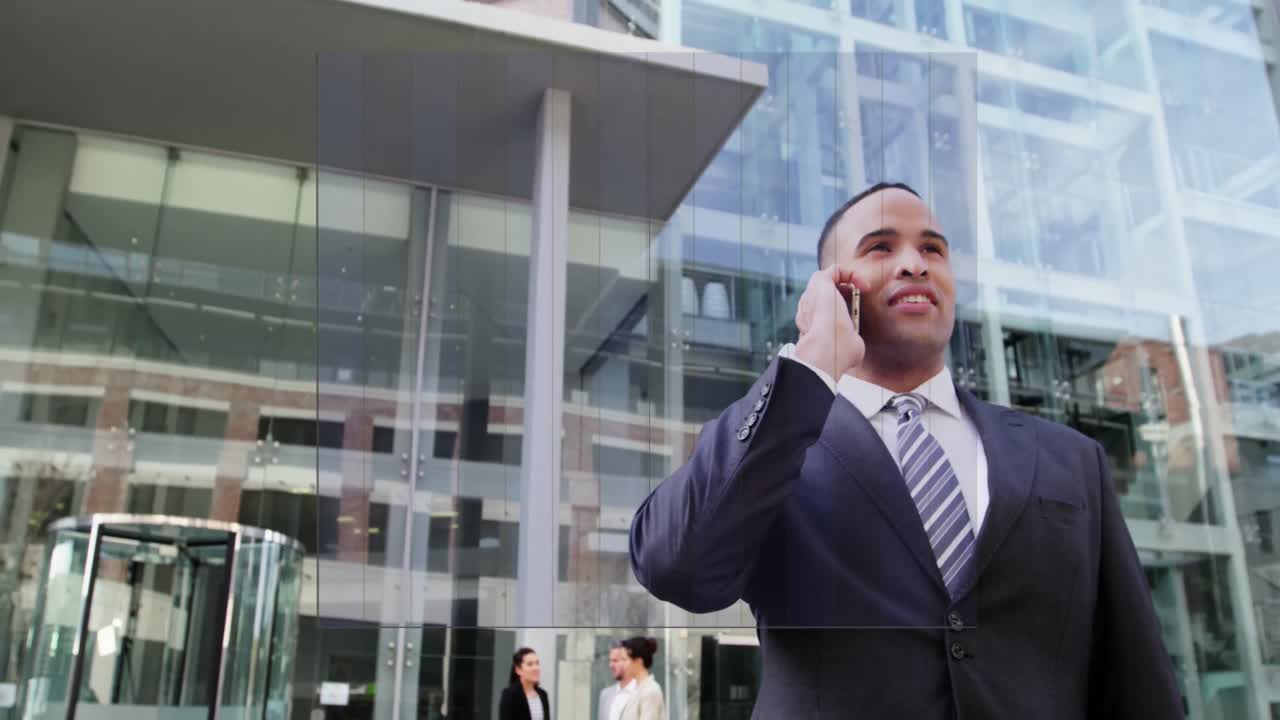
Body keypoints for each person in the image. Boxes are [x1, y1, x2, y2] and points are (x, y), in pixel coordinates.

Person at [628, 183, 1183, 719]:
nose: (915, 263)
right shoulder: (777, 446)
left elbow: (1137, 678)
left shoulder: (1071, 460)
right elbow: (677, 567)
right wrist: (815, 355)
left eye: (933, 249)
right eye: (881, 247)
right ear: (832, 285)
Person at [609, 637, 664, 720]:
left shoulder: (650, 691)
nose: (623, 665)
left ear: (638, 661)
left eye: (625, 659)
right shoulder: (637, 689)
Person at [498, 647, 551, 720]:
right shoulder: (510, 695)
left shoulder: (543, 694)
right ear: (518, 670)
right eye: (530, 664)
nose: (535, 668)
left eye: (537, 663)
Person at [597, 642, 627, 720]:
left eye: (615, 661)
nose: (611, 665)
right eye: (610, 661)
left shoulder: (642, 692)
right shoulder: (605, 695)